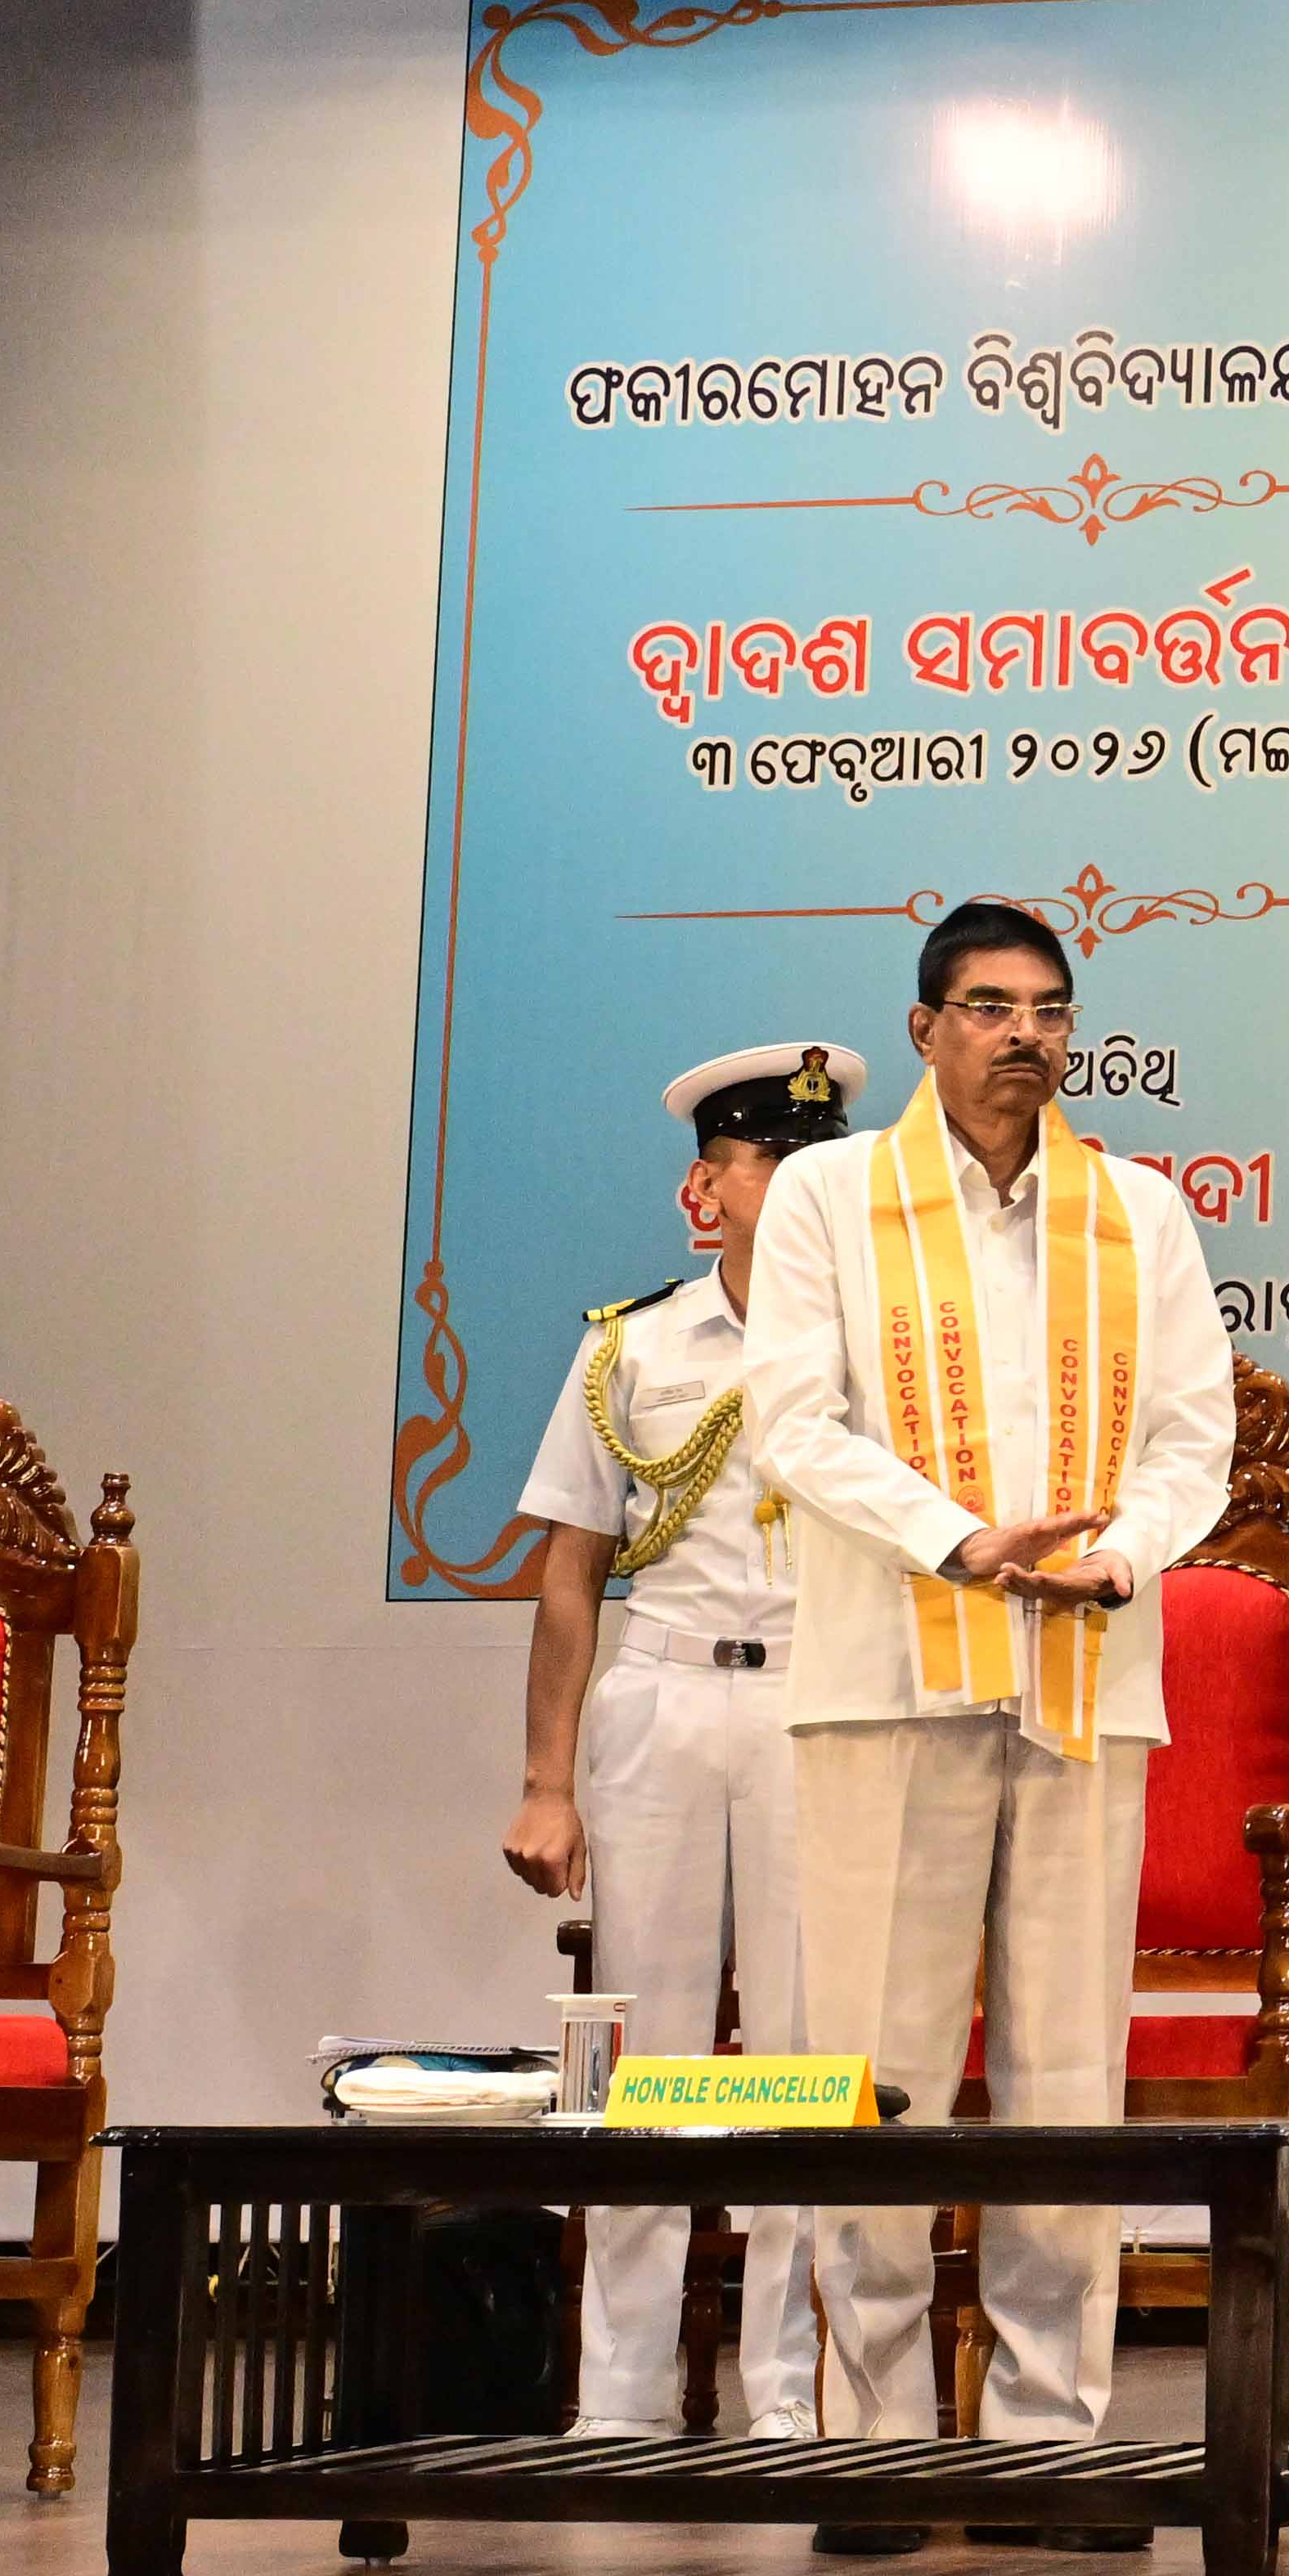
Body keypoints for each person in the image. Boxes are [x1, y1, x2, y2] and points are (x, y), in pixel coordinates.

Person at [741, 901, 1231, 2551]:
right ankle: (872, 2439)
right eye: (987, 1005)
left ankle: (1044, 2441)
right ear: (928, 1023)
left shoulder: (1134, 1211)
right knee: (871, 2067)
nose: (1021, 1032)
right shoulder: (828, 1196)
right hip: (891, 1673)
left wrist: (1119, 1554)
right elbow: (793, 1421)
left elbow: (1192, 1439)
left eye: (1047, 1007)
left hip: (1085, 1681)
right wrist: (959, 1540)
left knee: (1063, 2070)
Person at [505, 1038, 865, 2448]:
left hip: (816, 1700)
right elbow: (569, 1572)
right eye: (769, 1158)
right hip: (661, 1695)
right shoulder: (632, 1347)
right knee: (640, 2052)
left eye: (817, 1158)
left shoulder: (871, 1346)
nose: (798, 1181)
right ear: (702, 1188)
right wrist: (546, 1783)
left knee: (797, 2050)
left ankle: (785, 2391)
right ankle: (621, 2391)